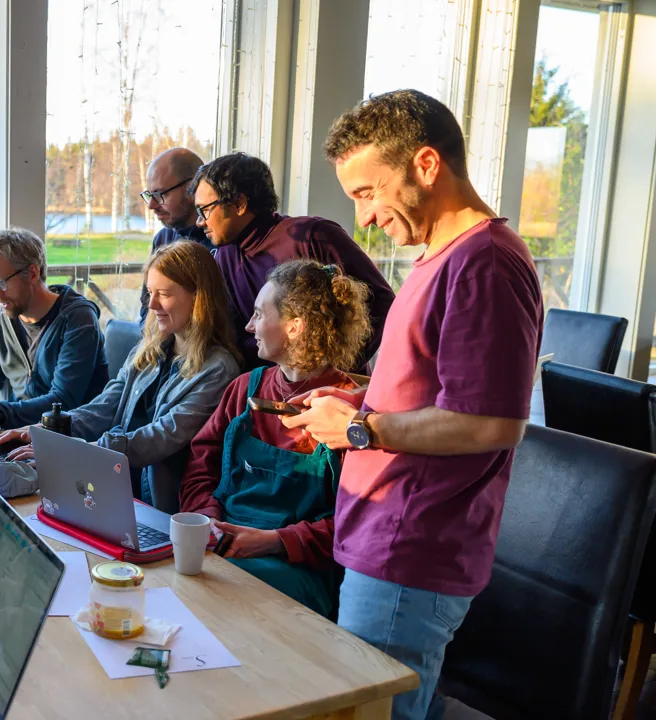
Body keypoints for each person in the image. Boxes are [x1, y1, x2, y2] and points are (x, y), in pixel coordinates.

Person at [283, 89, 543, 720]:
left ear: (426, 165)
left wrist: (361, 430)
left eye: (368, 193)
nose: (364, 219)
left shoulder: (483, 263)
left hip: (414, 547)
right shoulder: (440, 257)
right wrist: (352, 401)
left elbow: (491, 422)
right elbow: (431, 389)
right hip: (387, 536)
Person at [0, 241, 241, 513]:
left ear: (198, 298)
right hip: (111, 485)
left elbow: (162, 436)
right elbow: (107, 404)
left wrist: (77, 451)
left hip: (158, 506)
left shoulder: (219, 370)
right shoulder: (149, 349)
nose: (152, 304)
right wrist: (48, 431)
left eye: (164, 294)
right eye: (150, 292)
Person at [179, 260, 372, 617]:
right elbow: (200, 465)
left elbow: (356, 521)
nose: (249, 326)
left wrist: (275, 541)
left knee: (205, 593)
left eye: (257, 314)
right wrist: (207, 518)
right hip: (221, 545)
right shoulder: (243, 388)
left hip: (295, 567)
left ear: (294, 327)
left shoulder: (348, 411)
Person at [190, 152, 394, 371]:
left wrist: (338, 369)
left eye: (205, 209)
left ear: (239, 203)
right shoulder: (225, 256)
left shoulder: (313, 236)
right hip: (267, 389)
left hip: (330, 392)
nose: (200, 222)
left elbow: (382, 301)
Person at [0, 227, 110, 429]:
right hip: (21, 435)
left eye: (0, 282)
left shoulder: (78, 319)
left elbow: (62, 401)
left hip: (72, 440)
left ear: (33, 273)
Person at [138, 148, 212, 320]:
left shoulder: (220, 240)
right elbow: (146, 309)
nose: (151, 205)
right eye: (149, 195)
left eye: (159, 194)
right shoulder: (163, 239)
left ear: (192, 188)